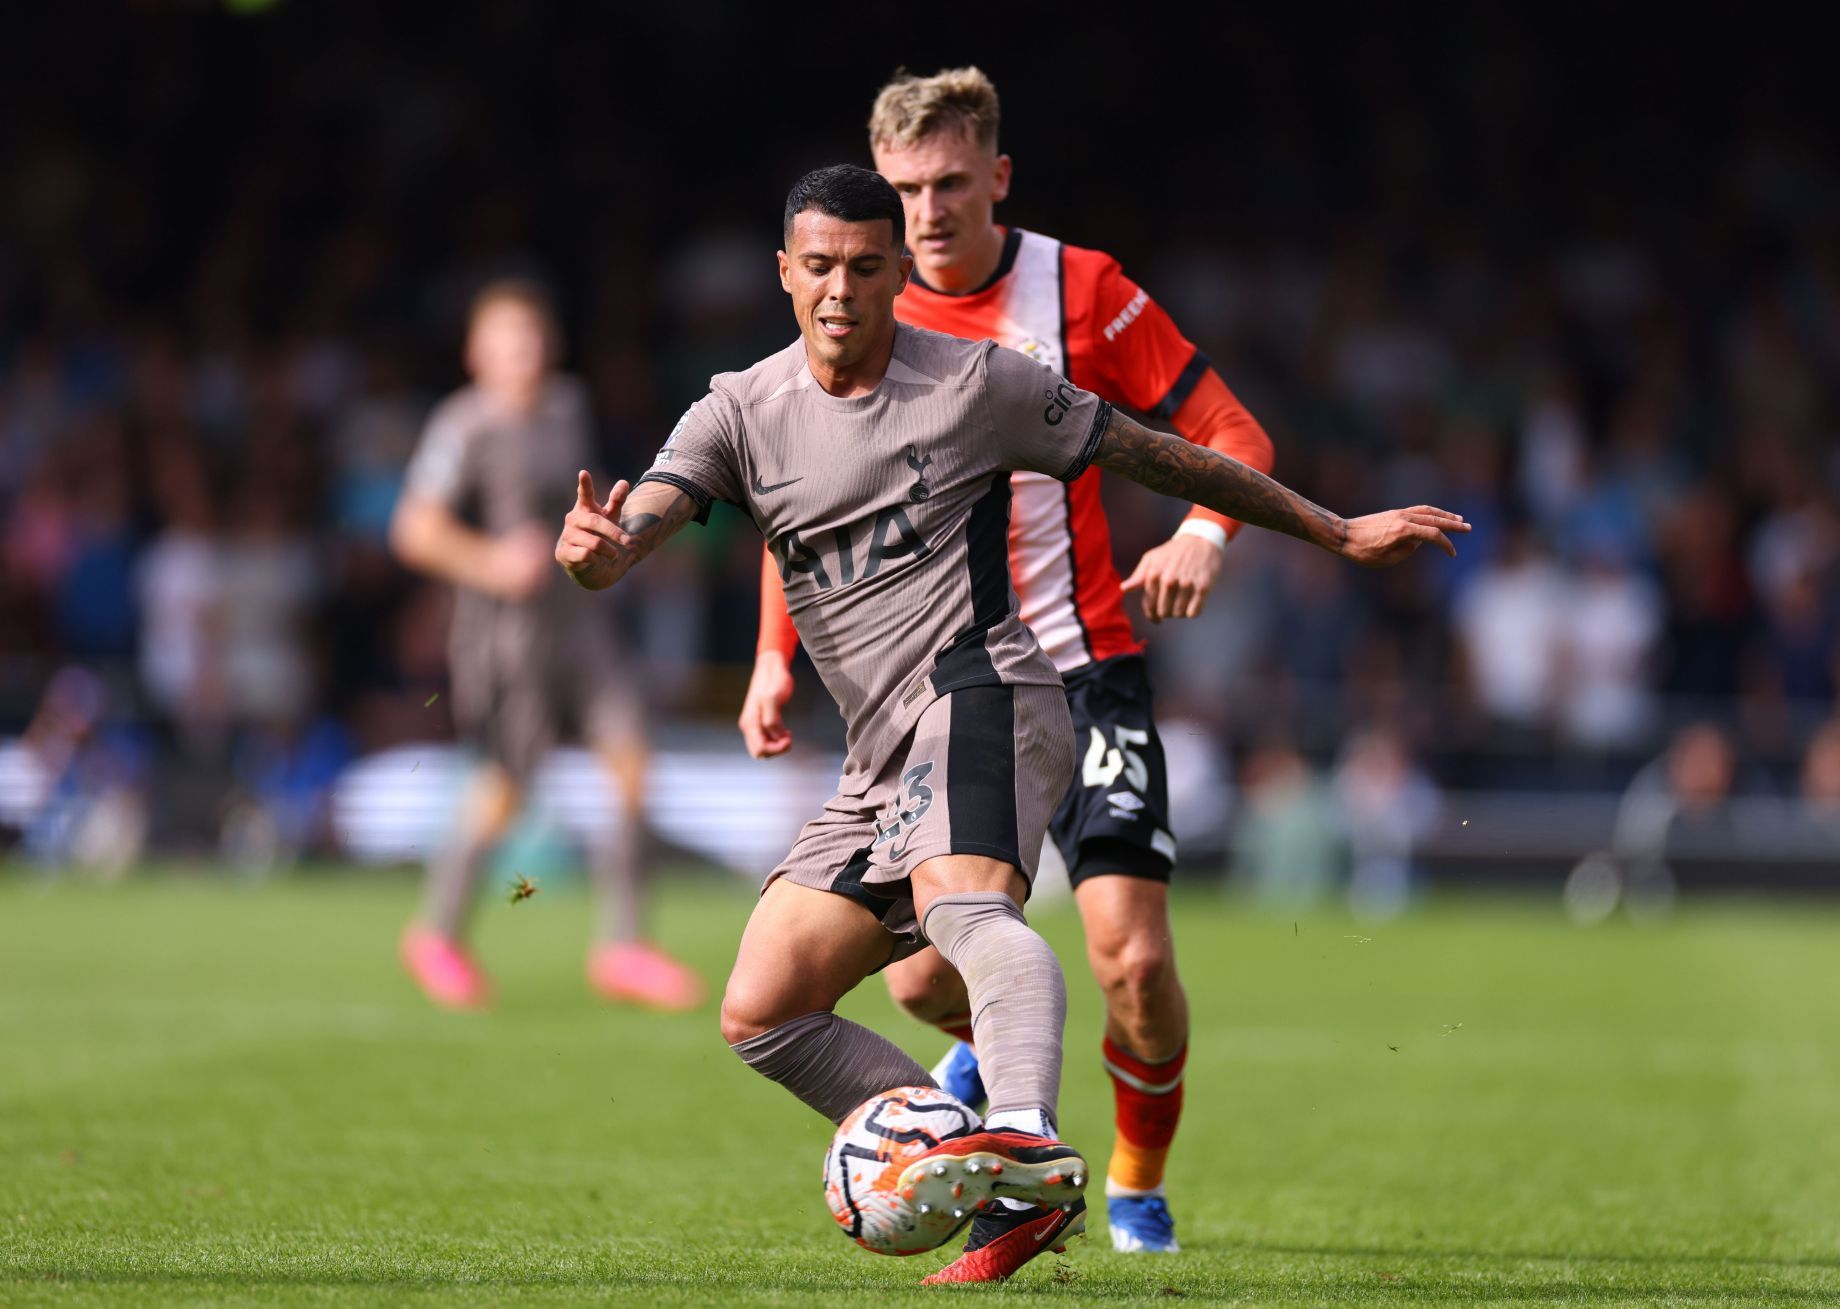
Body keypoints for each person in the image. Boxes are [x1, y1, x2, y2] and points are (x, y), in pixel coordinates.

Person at [554, 164, 1466, 1283]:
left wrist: (1333, 529)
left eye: (865, 266)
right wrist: (604, 553)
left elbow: (1158, 450)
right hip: (876, 751)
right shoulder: (739, 408)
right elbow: (648, 510)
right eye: (821, 266)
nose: (842, 288)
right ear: (785, 274)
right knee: (762, 1007)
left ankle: (1027, 1140)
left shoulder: (979, 384)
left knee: (963, 906)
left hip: (987, 692)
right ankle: (954, 1151)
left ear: (899, 274)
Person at [735, 66, 1277, 1254]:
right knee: (925, 980)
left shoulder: (1078, 289)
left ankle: (1133, 1183)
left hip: (1082, 665)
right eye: (906, 191)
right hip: (934, 692)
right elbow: (800, 504)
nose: (926, 214)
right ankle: (984, 1059)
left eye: (949, 186)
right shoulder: (861, 312)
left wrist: (1202, 531)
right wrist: (774, 656)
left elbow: (1227, 430)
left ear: (998, 180)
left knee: (1131, 958)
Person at [390, 280, 701, 1012]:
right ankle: (436, 932)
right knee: (506, 790)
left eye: (532, 337)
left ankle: (624, 944)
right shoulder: (462, 426)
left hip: (582, 626)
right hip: (507, 640)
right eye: (507, 338)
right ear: (476, 352)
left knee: (632, 761)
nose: (523, 352)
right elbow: (413, 527)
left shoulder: (568, 406)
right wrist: (490, 561)